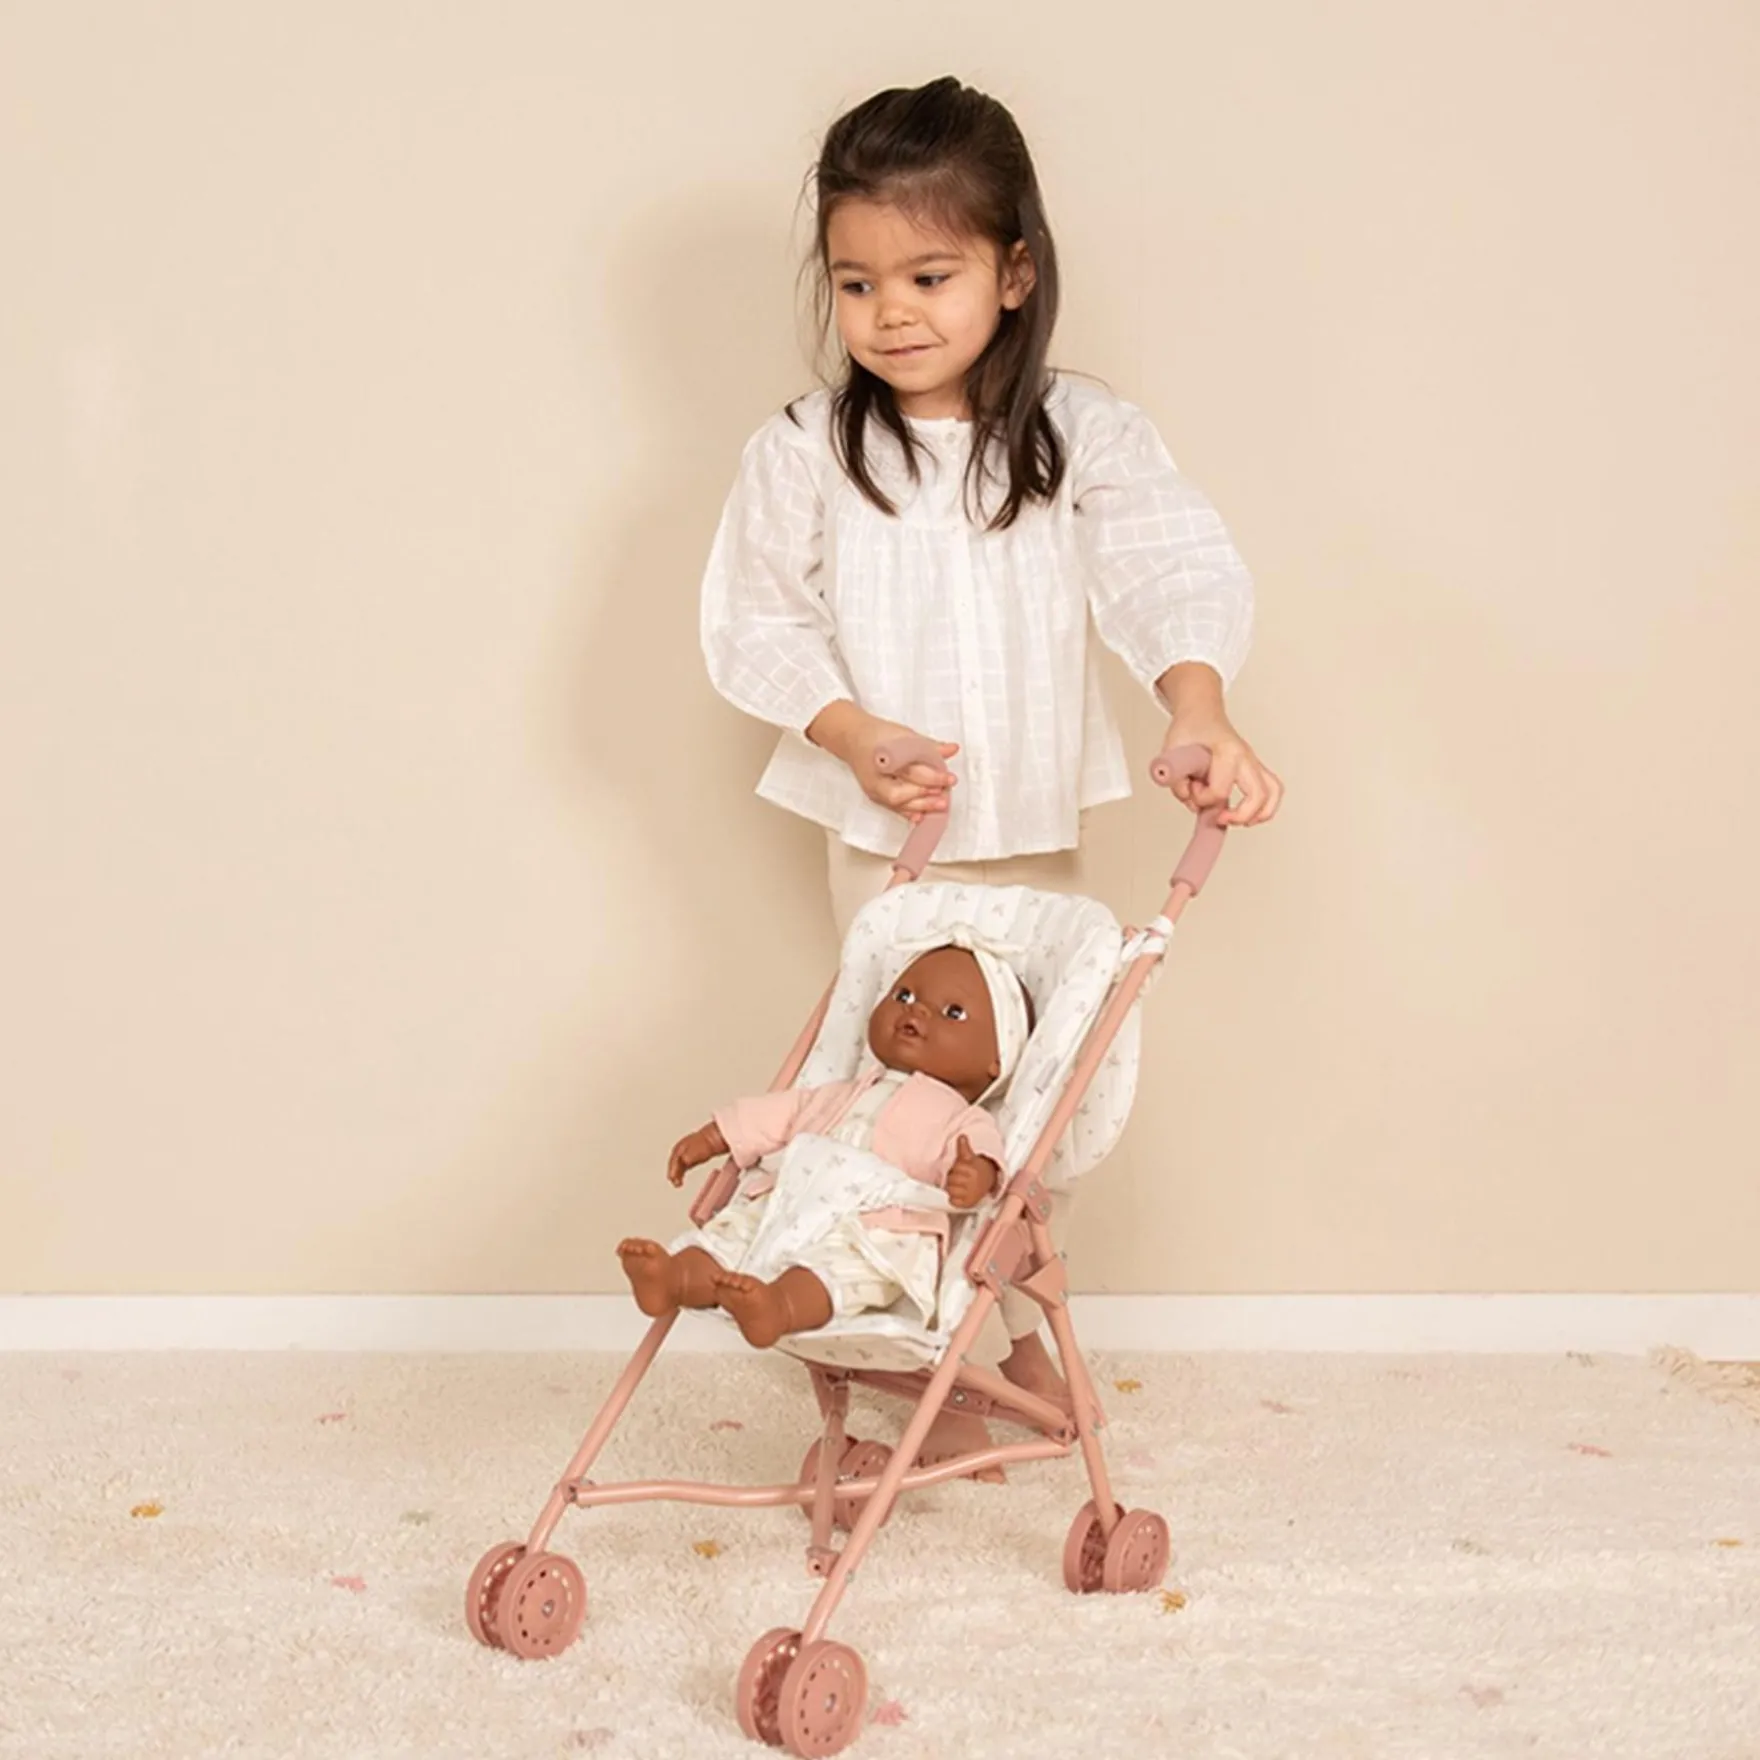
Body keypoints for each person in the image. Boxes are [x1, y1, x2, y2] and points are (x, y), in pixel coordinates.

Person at [698, 76, 1283, 1464]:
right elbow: (755, 617)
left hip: (1026, 826)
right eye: (857, 283)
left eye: (929, 276)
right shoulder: (807, 450)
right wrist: (851, 733)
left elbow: (1165, 568)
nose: (891, 312)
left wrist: (1196, 707)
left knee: (1035, 1098)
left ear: (1013, 273)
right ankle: (927, 1337)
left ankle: (995, 1323)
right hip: (886, 836)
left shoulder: (1080, 437)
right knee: (893, 1094)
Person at [617, 942, 1030, 1349]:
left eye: (953, 1012)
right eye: (904, 995)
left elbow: (982, 1152)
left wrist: (975, 1174)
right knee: (733, 1235)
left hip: (875, 1225)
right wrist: (713, 1137)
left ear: (997, 1061)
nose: (917, 1011)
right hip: (791, 1202)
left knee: (843, 1270)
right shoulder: (840, 1092)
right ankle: (675, 1278)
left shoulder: (963, 1117)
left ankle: (779, 1307)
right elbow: (780, 1114)